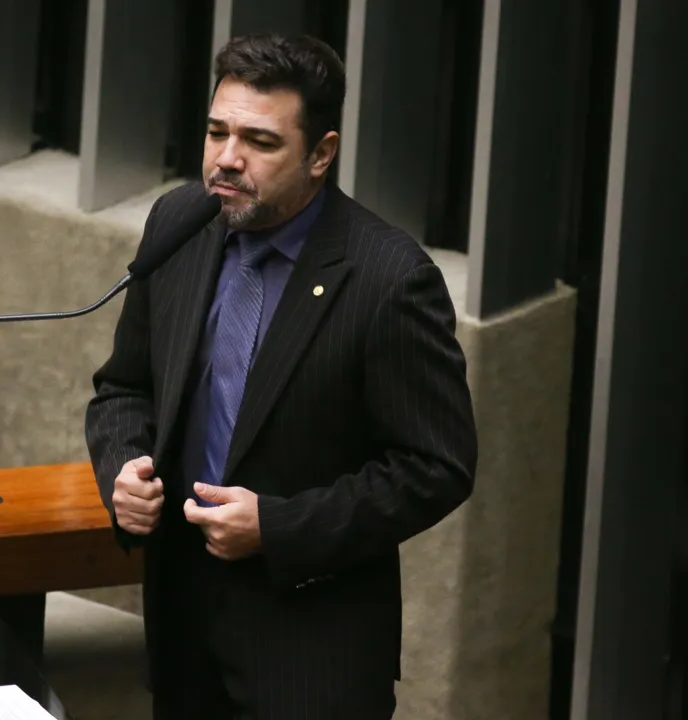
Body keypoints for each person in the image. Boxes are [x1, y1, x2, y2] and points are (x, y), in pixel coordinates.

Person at [84, 32, 477, 719]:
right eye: (216, 133)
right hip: (182, 626)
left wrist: (279, 526)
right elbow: (125, 388)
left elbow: (436, 467)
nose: (227, 160)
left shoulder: (389, 280)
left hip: (310, 651)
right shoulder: (180, 222)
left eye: (260, 143)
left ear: (321, 153)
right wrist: (123, 468)